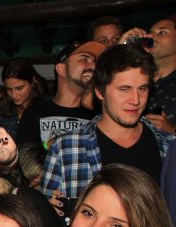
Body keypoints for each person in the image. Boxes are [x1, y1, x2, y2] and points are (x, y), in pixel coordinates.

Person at [39, 44, 175, 202]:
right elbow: (46, 221)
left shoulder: (168, 145)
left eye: (142, 89)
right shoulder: (66, 148)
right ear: (99, 92)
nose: (135, 100)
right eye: (124, 89)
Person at [17, 40, 105, 147]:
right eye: (84, 59)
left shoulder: (100, 115)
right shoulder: (34, 114)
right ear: (61, 69)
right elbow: (26, 159)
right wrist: (50, 144)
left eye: (95, 61)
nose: (94, 66)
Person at [120, 15, 176, 134]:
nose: (150, 36)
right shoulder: (135, 74)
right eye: (150, 32)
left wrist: (172, 132)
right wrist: (121, 49)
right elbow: (88, 100)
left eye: (162, 32)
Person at [0, 57, 49, 140]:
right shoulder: (0, 110)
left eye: (20, 88)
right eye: (9, 89)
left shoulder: (46, 108)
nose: (14, 95)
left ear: (32, 82)